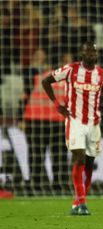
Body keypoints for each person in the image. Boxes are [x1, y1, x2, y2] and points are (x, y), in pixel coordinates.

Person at [42, 42, 103, 215]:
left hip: (94, 124)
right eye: (87, 51)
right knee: (80, 157)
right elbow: (46, 81)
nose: (91, 54)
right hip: (75, 121)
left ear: (97, 55)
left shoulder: (102, 74)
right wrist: (56, 104)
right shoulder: (71, 69)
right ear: (82, 54)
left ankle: (78, 201)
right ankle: (82, 202)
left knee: (90, 162)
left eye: (94, 51)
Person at [23, 49, 69, 195]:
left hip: (37, 121)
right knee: (57, 156)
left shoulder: (39, 77)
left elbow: (26, 97)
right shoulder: (68, 80)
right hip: (51, 121)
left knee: (37, 155)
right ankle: (58, 186)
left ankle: (35, 186)